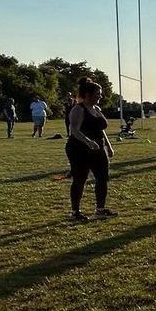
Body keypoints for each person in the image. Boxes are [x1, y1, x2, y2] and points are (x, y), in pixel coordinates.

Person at [65, 76, 116, 221]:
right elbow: (74, 130)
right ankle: (75, 212)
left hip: (98, 148)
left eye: (100, 93)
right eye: (97, 94)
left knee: (102, 178)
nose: (100, 96)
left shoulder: (97, 109)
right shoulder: (78, 109)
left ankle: (100, 210)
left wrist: (109, 146)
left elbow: (101, 129)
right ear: (88, 95)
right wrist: (88, 141)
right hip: (79, 149)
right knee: (80, 179)